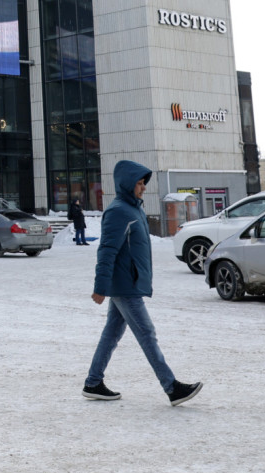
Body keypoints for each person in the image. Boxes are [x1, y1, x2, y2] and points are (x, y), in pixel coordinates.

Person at [83, 159, 202, 407]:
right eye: (139, 183)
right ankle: (172, 388)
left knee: (112, 333)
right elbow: (106, 250)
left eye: (143, 183)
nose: (143, 187)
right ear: (127, 184)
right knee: (146, 333)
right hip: (126, 285)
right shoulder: (118, 212)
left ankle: (93, 382)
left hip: (128, 281)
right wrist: (100, 287)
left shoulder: (133, 209)